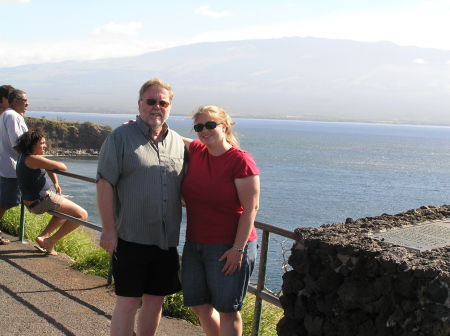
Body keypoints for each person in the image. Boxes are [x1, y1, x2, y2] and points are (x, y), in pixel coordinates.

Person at [96, 78, 186, 336]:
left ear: (170, 107)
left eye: (163, 102)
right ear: (140, 104)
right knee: (128, 301)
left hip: (165, 240)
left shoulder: (178, 142)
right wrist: (108, 230)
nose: (157, 106)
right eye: (151, 101)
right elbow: (104, 184)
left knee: (156, 300)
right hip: (130, 237)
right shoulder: (120, 137)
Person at [181, 105, 260, 336]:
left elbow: (251, 209)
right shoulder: (197, 151)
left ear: (224, 126)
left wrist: (238, 249)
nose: (203, 130)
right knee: (198, 304)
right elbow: (169, 135)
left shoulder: (240, 160)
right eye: (198, 127)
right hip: (195, 243)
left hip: (229, 245)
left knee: (227, 310)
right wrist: (138, 126)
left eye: (209, 125)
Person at [14, 128, 88, 255]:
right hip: (42, 201)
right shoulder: (33, 159)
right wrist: (54, 164)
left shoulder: (23, 157)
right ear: (32, 145)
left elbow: (46, 166)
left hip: (30, 202)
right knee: (82, 215)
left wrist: (56, 183)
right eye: (42, 143)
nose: (45, 146)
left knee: (64, 212)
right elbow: (62, 167)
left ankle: (43, 237)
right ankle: (51, 241)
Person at [0, 89, 28, 245]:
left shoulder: (6, 114)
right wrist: (30, 160)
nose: (27, 103)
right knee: (5, 203)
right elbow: (17, 143)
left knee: (4, 202)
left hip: (4, 165)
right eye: (25, 100)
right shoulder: (12, 116)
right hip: (10, 167)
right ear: (16, 101)